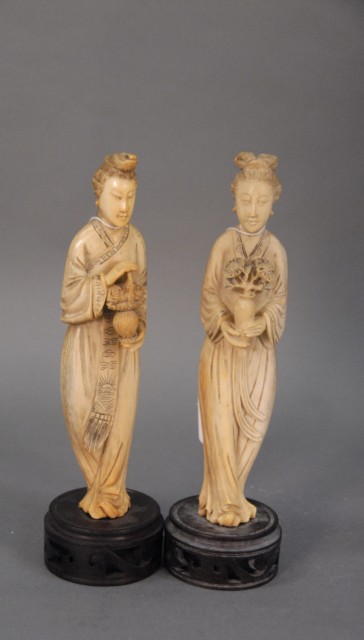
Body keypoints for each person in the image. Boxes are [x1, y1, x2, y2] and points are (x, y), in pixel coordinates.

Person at [198, 152, 288, 527]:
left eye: (262, 201)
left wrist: (263, 321)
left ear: (273, 204)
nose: (253, 210)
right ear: (233, 201)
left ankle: (234, 493)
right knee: (220, 427)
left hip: (257, 357)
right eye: (246, 200)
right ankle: (223, 501)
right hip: (222, 351)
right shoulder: (224, 244)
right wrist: (224, 322)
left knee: (253, 427)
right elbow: (208, 294)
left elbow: (279, 301)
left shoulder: (276, 250)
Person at [60, 153, 146, 519]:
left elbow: (142, 293)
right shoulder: (84, 242)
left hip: (122, 351)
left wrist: (138, 326)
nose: (124, 206)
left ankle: (111, 491)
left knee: (120, 424)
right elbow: (68, 300)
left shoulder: (136, 240)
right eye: (116, 197)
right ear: (99, 196)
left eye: (130, 197)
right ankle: (95, 486)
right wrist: (105, 282)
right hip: (88, 346)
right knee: (84, 419)